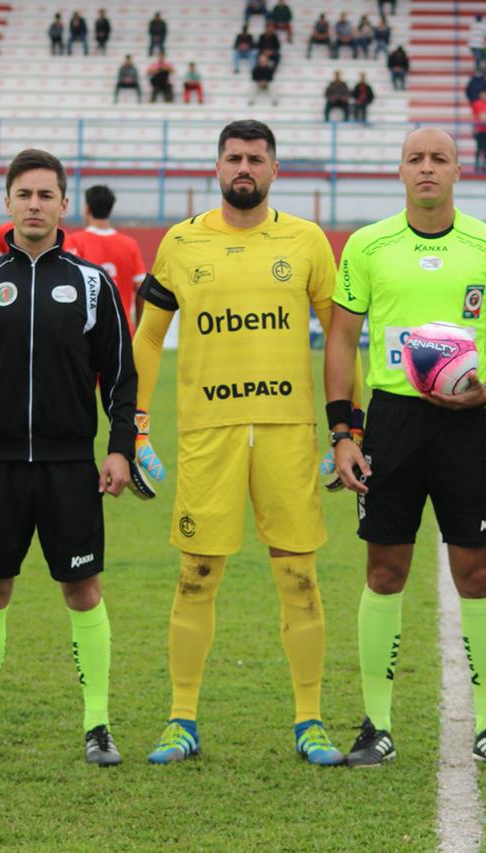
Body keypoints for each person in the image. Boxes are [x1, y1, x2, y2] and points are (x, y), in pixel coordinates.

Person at [133, 120, 352, 766]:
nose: (244, 168)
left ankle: (310, 719)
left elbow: (338, 337)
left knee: (299, 577)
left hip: (287, 433)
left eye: (256, 158)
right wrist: (135, 423)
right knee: (195, 575)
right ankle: (181, 719)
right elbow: (147, 337)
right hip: (208, 433)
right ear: (218, 165)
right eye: (234, 157)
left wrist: (348, 428)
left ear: (274, 169)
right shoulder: (181, 242)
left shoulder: (307, 241)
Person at [324, 126, 486, 769]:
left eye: (438, 159)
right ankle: (375, 726)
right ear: (400, 171)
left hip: (467, 422)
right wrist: (343, 433)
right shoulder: (367, 244)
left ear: (457, 170)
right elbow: (340, 340)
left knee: (477, 574)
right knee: (384, 572)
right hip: (391, 422)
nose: (426, 169)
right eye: (414, 158)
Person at [0, 149, 136, 767]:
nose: (35, 205)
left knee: (83, 589)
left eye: (47, 195)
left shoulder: (93, 283)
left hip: (71, 464)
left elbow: (122, 378)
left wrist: (120, 449)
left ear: (64, 204)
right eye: (25, 194)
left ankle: (97, 726)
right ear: (7, 202)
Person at [65, 185, 148, 332]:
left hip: (88, 331)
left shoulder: (75, 242)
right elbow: (141, 289)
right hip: (123, 329)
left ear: (87, 209)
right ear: (110, 210)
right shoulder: (129, 245)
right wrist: (139, 326)